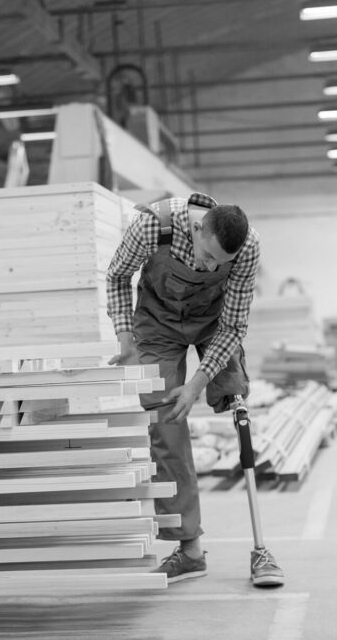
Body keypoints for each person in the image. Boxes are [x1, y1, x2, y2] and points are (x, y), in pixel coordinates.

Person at [106, 192, 284, 587]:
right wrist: (124, 335)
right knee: (166, 421)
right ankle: (190, 551)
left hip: (213, 322)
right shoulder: (152, 225)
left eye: (219, 264)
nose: (208, 267)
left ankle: (261, 549)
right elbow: (117, 276)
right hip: (157, 320)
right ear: (198, 228)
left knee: (234, 397)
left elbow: (234, 327)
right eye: (206, 257)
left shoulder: (248, 247)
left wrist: (198, 382)